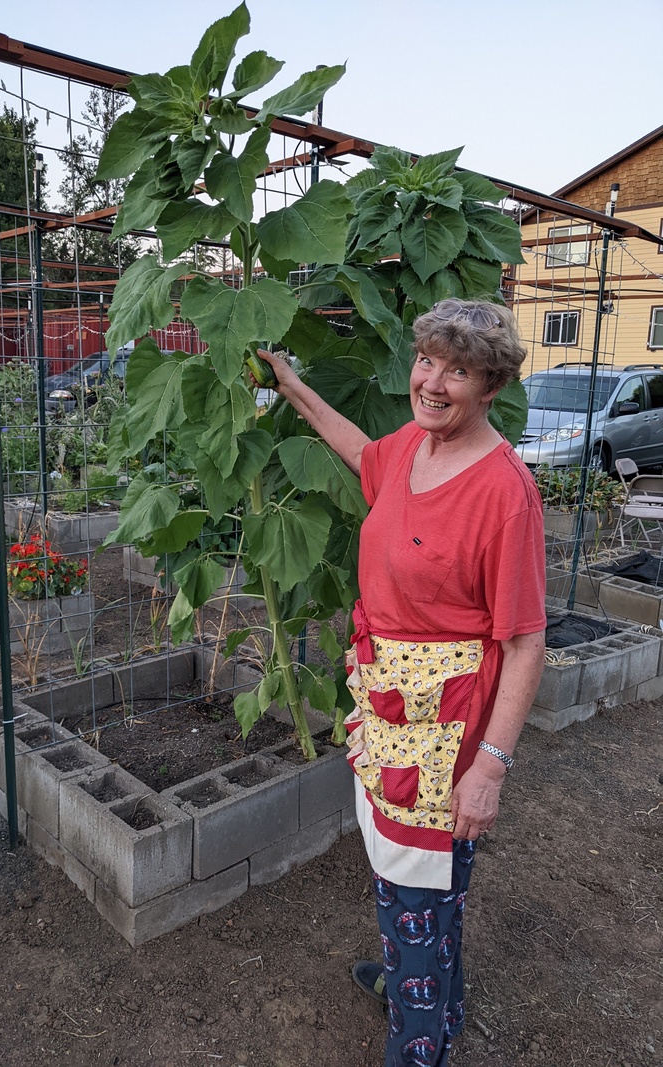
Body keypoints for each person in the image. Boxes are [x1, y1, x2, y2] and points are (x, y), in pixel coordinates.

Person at [254, 299, 547, 1067]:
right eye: (428, 360)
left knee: (420, 884)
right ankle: (423, 993)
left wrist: (490, 769)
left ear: (491, 388)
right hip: (391, 701)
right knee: (409, 878)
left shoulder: (503, 490)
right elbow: (361, 452)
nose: (434, 380)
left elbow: (525, 644)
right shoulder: (413, 448)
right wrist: (290, 386)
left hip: (447, 728)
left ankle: (417, 1043)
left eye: (459, 369)